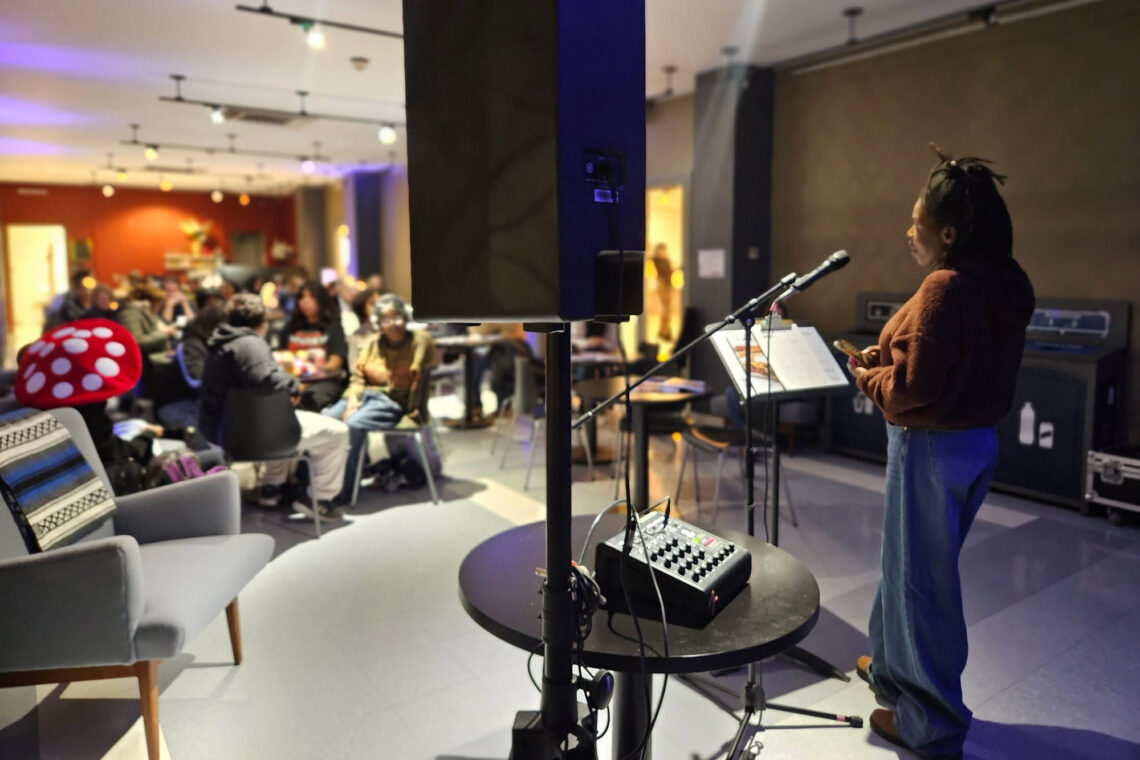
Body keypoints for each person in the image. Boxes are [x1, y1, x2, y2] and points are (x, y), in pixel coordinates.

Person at [848, 148, 1034, 759]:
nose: (910, 232)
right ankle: (892, 673)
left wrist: (869, 377)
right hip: (974, 445)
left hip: (929, 445)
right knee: (908, 568)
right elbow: (952, 362)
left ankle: (931, 722)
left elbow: (914, 389)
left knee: (921, 583)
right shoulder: (1004, 282)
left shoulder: (945, 286)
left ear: (948, 233)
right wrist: (889, 360)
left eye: (917, 222)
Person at [199, 294, 350, 519]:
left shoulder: (219, 344)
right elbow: (265, 379)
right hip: (253, 436)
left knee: (277, 418)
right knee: (337, 432)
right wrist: (293, 387)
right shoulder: (250, 344)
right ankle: (319, 500)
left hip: (223, 432)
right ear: (263, 323)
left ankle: (271, 490)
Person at [322, 294, 435, 502]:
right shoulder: (374, 343)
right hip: (364, 396)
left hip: (393, 402)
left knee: (353, 425)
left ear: (406, 317)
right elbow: (358, 377)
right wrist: (353, 399)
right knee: (326, 420)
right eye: (385, 319)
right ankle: (320, 485)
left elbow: (420, 371)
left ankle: (345, 490)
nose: (392, 324)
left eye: (397, 317)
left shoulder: (418, 341)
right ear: (378, 323)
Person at [279, 281, 348, 412]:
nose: (306, 301)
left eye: (311, 297)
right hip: (292, 381)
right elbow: (282, 358)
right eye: (302, 297)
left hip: (324, 382)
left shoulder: (333, 327)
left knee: (306, 401)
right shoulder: (290, 328)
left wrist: (307, 382)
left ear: (321, 300)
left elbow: (335, 363)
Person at [119, 285, 177, 354]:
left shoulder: (150, 314)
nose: (160, 306)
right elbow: (136, 341)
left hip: (158, 354)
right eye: (159, 303)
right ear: (150, 302)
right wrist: (164, 333)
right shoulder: (130, 315)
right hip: (146, 357)